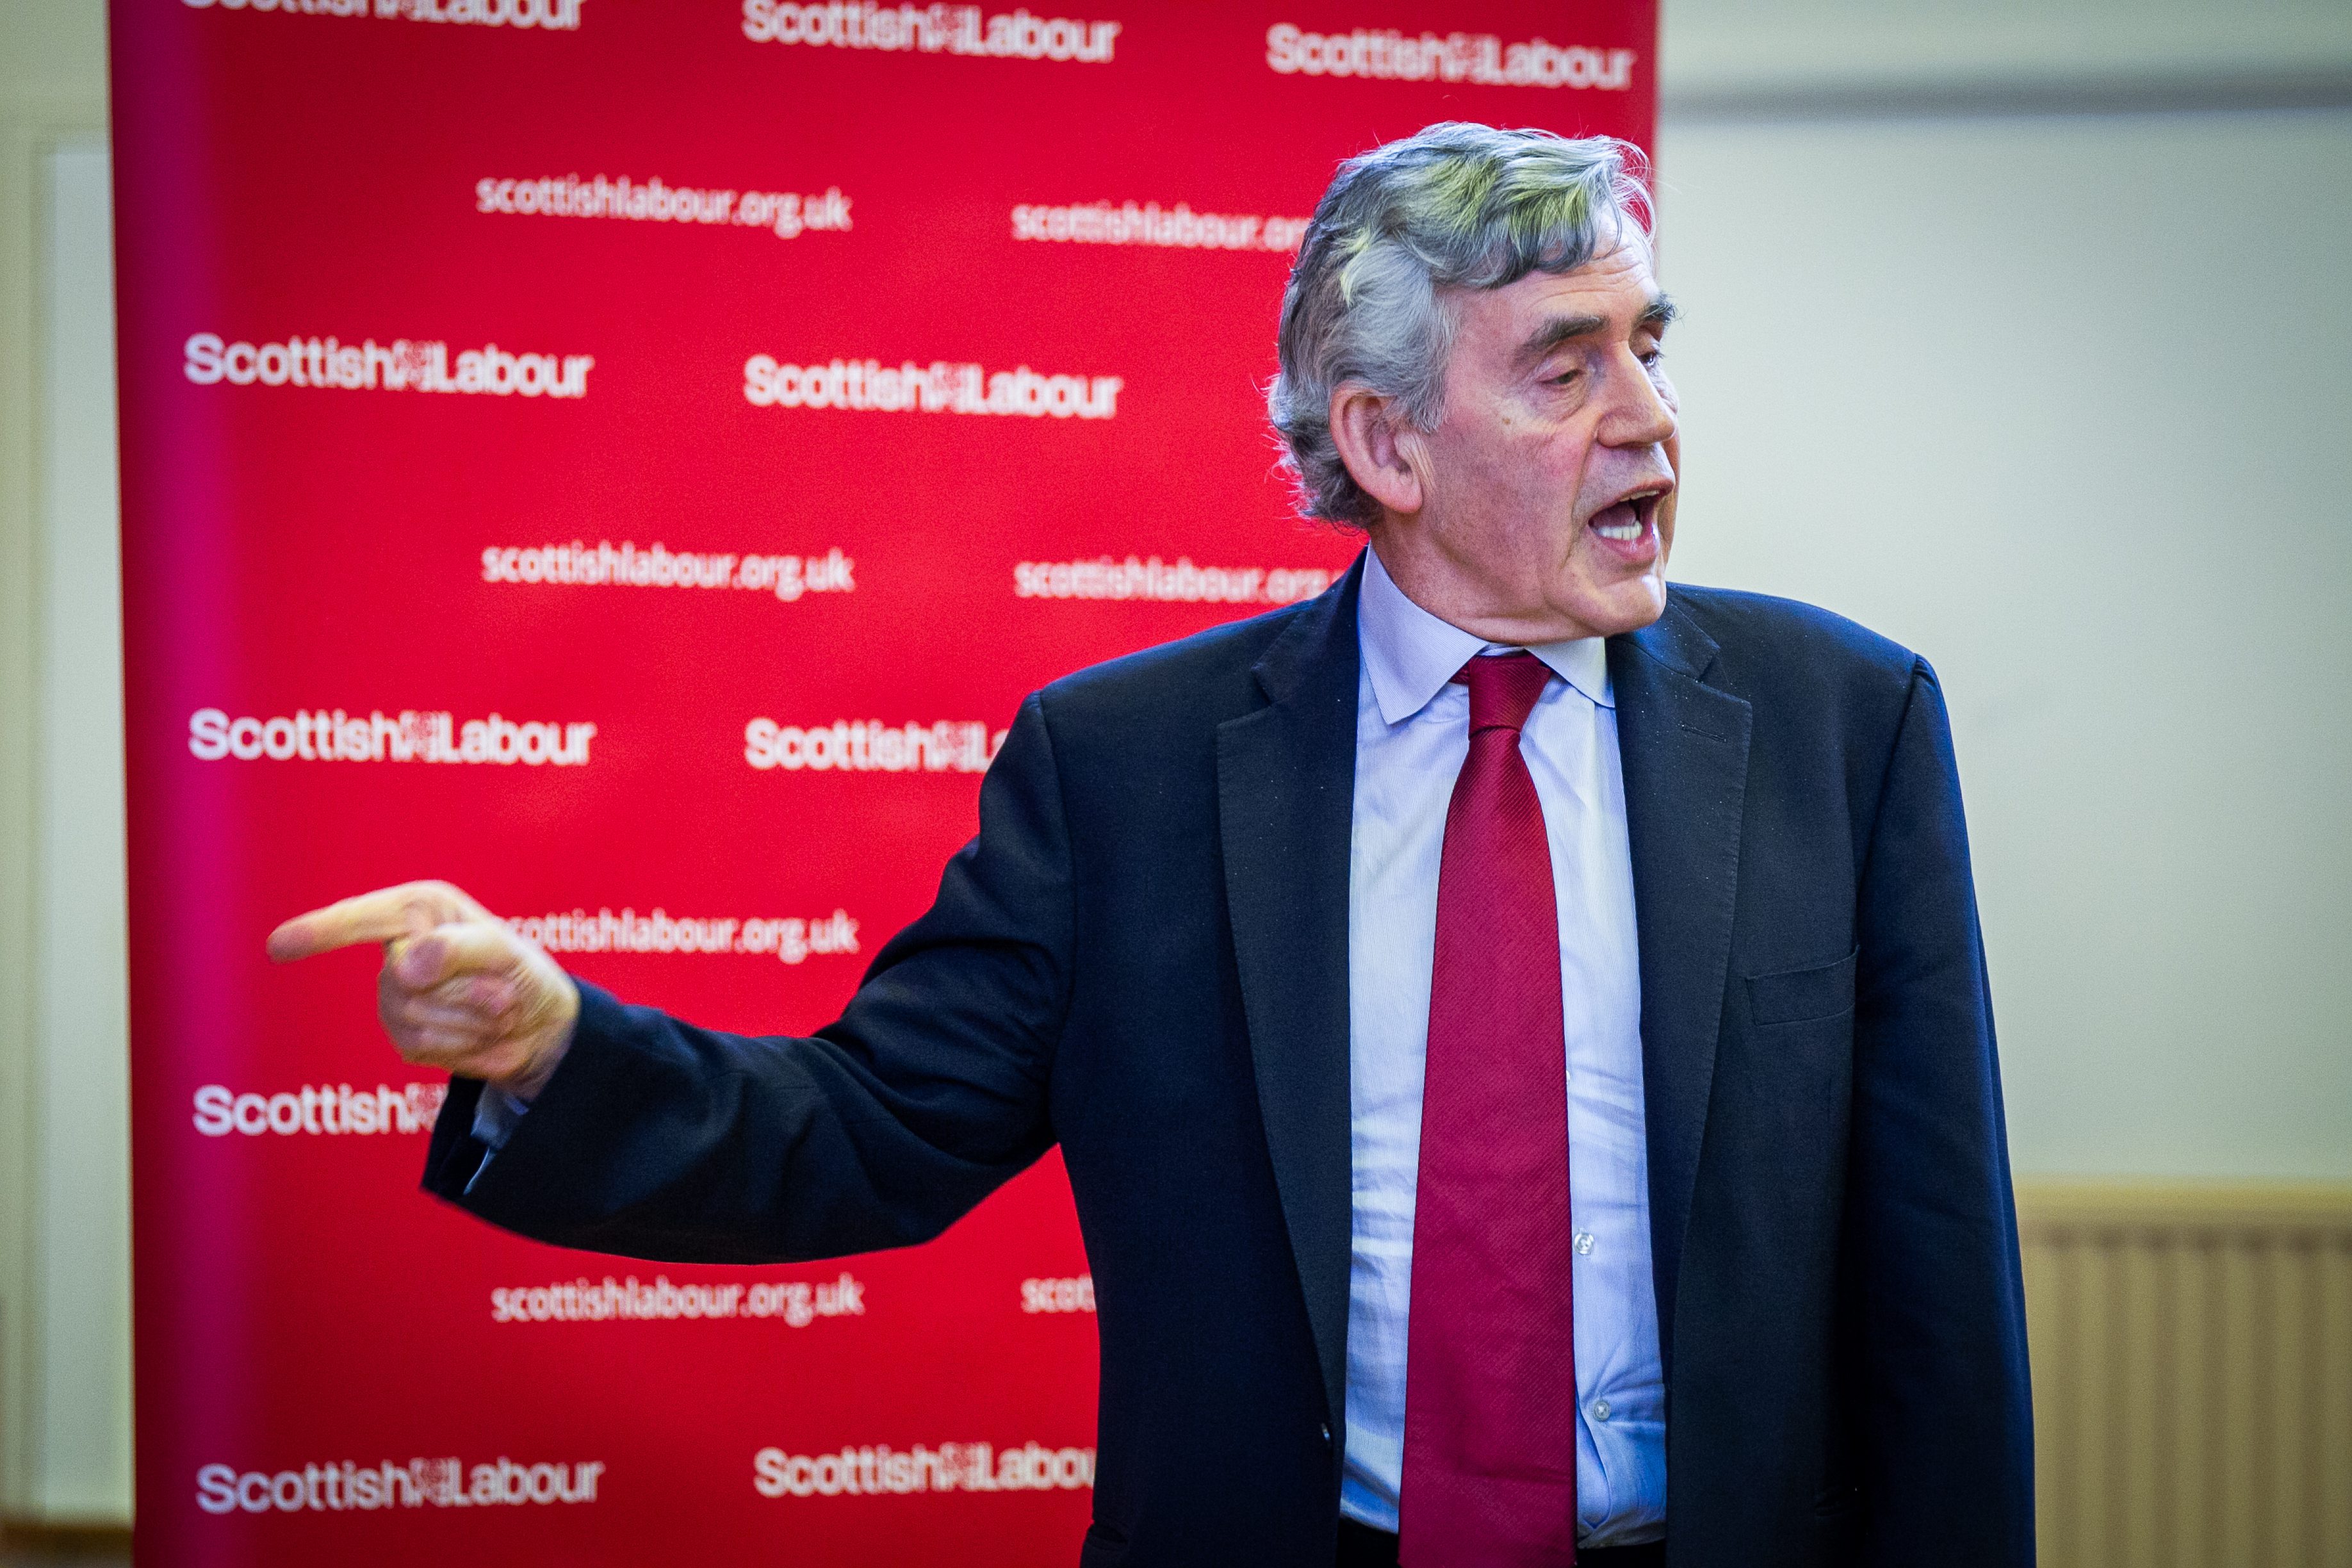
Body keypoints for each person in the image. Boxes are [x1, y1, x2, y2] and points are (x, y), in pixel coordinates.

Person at [272, 124, 2034, 1567]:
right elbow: (871, 1132)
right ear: (1386, 442)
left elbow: (1937, 1281)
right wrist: (559, 1052)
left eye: (1649, 349)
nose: (1650, 419)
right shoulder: (1127, 767)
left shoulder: (1841, 726)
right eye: (1566, 369)